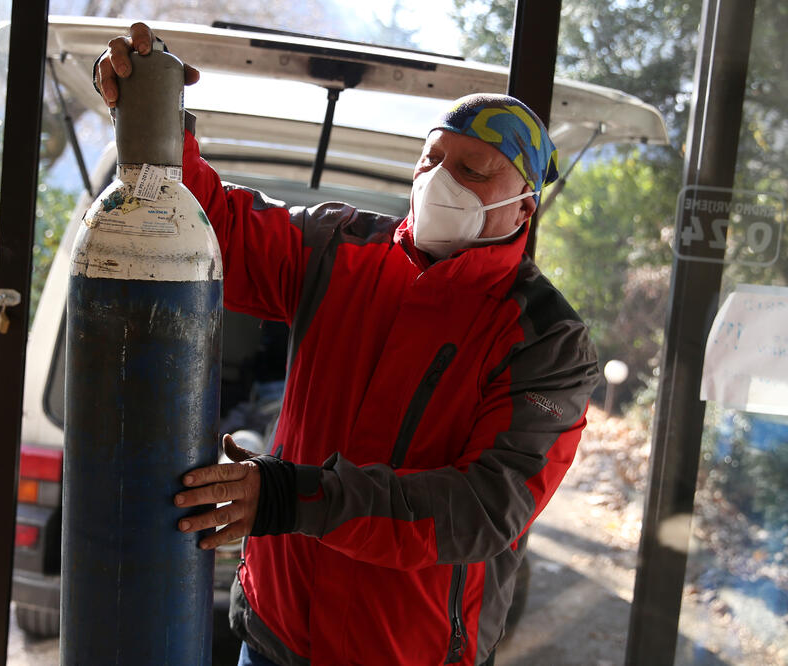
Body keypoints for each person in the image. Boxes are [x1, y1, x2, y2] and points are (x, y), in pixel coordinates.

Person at [95, 23, 599, 666]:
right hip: (275, 633)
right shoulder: (341, 249)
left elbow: (481, 509)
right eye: (432, 159)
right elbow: (214, 224)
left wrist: (287, 497)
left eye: (472, 170)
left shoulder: (547, 341)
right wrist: (154, 112)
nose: (439, 180)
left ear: (525, 207)